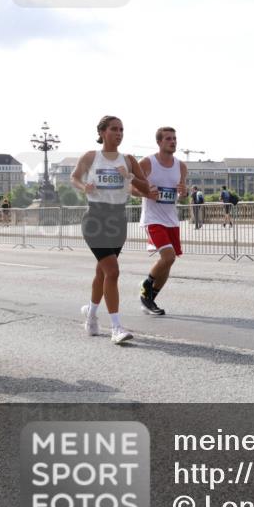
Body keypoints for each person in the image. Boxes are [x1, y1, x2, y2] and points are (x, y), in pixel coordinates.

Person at [71, 115, 155, 344]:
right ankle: (116, 328)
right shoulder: (91, 156)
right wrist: (83, 186)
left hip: (118, 220)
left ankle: (90, 315)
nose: (118, 133)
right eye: (114, 129)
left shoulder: (128, 160)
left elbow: (146, 187)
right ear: (101, 132)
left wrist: (127, 176)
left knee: (103, 272)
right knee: (113, 271)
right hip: (95, 219)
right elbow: (75, 177)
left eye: (121, 130)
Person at [134, 127, 188, 316]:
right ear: (159, 142)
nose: (173, 142)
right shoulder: (148, 163)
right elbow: (129, 187)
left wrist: (184, 192)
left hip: (171, 219)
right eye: (168, 139)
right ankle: (145, 286)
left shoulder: (181, 166)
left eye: (174, 138)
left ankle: (150, 299)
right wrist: (146, 192)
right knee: (168, 257)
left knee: (168, 262)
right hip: (153, 218)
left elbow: (181, 194)